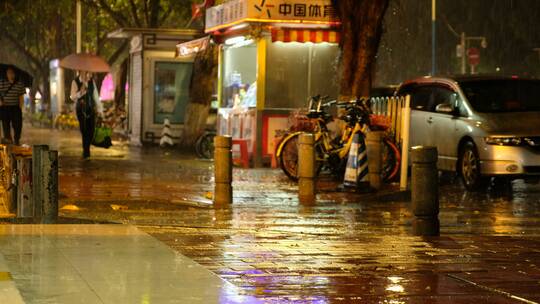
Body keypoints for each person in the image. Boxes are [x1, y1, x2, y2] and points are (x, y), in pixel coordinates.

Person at [70, 71, 103, 159]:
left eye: (89, 73)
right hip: (81, 110)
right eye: (87, 72)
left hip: (91, 109)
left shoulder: (91, 82)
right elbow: (72, 97)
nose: (89, 75)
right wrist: (80, 92)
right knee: (84, 130)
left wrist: (100, 110)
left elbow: (95, 96)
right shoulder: (75, 81)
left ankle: (86, 148)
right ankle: (86, 151)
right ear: (81, 72)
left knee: (91, 130)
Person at [0, 66, 26, 145]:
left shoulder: (19, 84)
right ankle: (8, 141)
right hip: (4, 108)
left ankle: (17, 140)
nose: (10, 75)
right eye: (9, 73)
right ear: (6, 74)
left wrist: (20, 107)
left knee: (18, 125)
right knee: (6, 126)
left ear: (15, 74)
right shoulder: (2, 82)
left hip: (15, 108)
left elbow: (21, 96)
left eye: (12, 73)